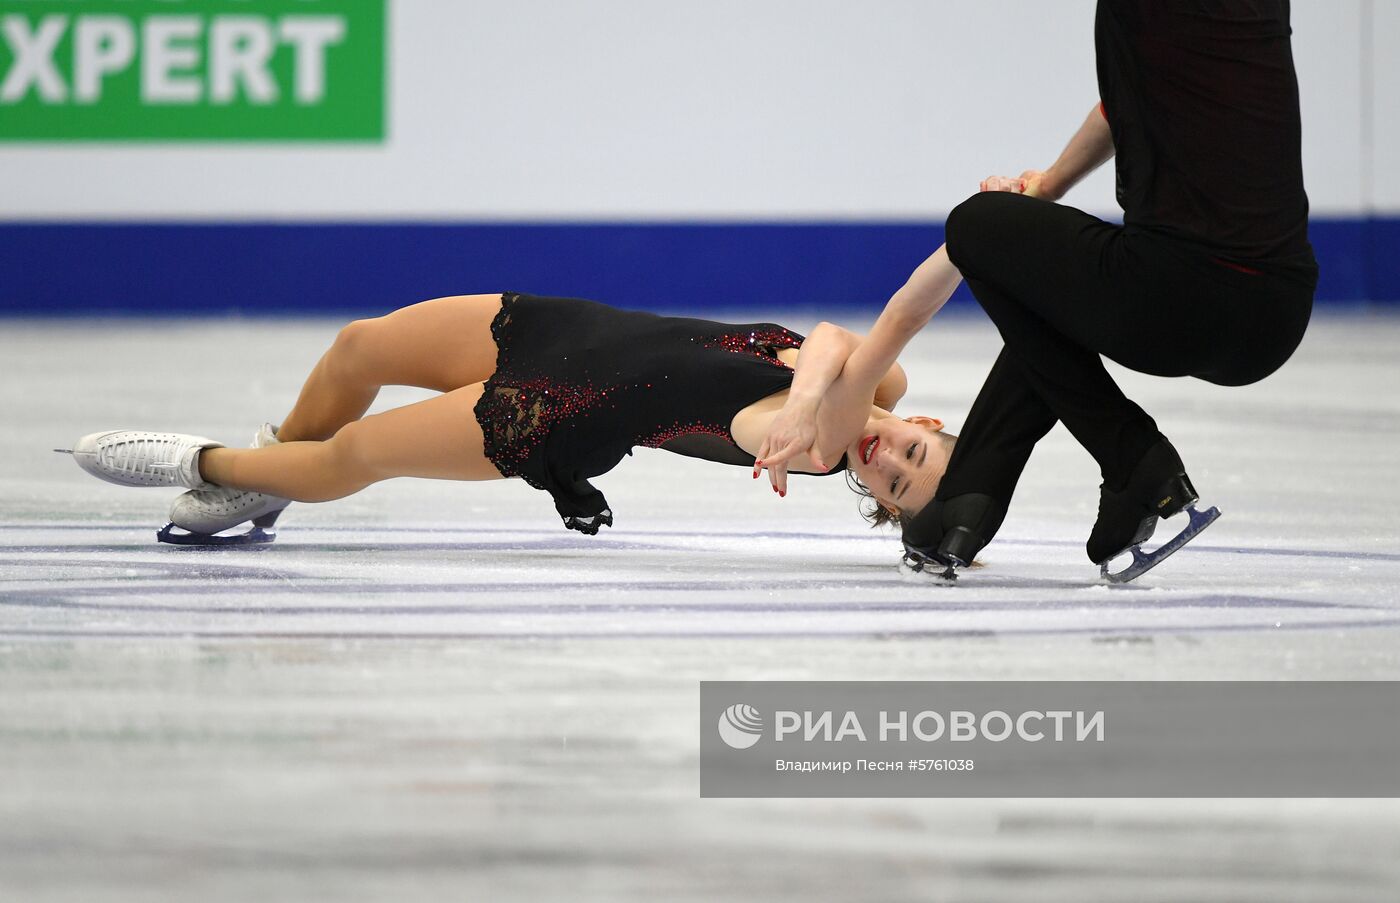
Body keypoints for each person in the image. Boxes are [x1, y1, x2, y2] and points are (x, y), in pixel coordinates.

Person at [760, 0, 1317, 582]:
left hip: (1177, 300)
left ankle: (1114, 461)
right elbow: (1131, 104)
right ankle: (980, 495)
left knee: (976, 227)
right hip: (1277, 316)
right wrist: (1048, 184)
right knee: (1030, 274)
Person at [61, 290, 960, 544]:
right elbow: (846, 336)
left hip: (555, 411)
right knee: (359, 346)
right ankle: (274, 470)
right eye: (916, 452)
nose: (888, 458)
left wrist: (807, 408)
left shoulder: (823, 439)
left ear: (875, 500)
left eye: (895, 486)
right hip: (562, 326)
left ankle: (207, 464)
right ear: (929, 423)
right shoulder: (870, 388)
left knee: (359, 452)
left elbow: (878, 326)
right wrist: (812, 384)